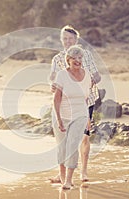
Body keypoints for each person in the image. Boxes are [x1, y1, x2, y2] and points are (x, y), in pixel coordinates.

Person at [49, 25, 101, 183]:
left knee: (84, 137)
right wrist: (52, 85)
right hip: (65, 103)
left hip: (85, 101)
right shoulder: (57, 59)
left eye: (70, 38)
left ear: (76, 40)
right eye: (64, 38)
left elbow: (97, 76)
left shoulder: (85, 56)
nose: (67, 41)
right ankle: (62, 174)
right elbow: (52, 77)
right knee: (62, 140)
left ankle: (84, 171)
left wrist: (87, 82)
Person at [52, 45, 92, 189]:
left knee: (73, 146)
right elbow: (56, 99)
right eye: (74, 58)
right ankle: (63, 179)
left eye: (80, 58)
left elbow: (86, 99)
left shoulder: (87, 74)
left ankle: (69, 180)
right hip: (61, 115)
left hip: (79, 115)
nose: (77, 60)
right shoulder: (62, 75)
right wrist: (58, 119)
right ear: (68, 60)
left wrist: (87, 118)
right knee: (62, 148)